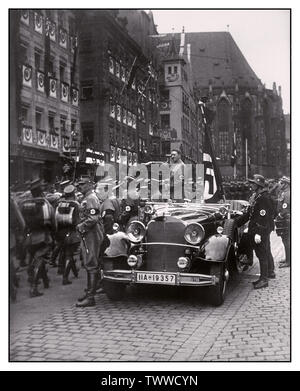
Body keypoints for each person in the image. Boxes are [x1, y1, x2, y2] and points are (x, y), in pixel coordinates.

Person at [236, 174, 275, 289]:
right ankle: (265, 275)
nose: (251, 185)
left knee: (262, 254)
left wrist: (258, 232)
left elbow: (264, 216)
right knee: (262, 252)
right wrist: (237, 222)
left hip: (261, 230)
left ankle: (264, 279)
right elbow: (250, 214)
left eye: (253, 183)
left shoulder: (263, 198)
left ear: (258, 185)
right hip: (257, 228)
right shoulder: (258, 196)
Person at [20, 179, 55, 297]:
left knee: (36, 258)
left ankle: (45, 281)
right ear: (41, 190)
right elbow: (52, 221)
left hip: (29, 237)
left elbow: (21, 222)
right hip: (43, 236)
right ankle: (33, 288)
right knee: (40, 260)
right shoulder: (45, 203)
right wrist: (53, 235)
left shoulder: (24, 203)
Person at [76, 177, 104, 307]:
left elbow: (93, 218)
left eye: (82, 184)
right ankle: (89, 291)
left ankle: (91, 297)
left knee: (91, 263)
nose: (79, 186)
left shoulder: (91, 198)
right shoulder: (87, 198)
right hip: (89, 233)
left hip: (91, 233)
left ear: (89, 185)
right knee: (89, 262)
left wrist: (81, 226)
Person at [54, 185, 81, 285]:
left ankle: (73, 272)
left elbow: (54, 219)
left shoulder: (59, 204)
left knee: (66, 252)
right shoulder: (76, 205)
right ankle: (65, 277)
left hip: (60, 232)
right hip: (72, 232)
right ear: (73, 194)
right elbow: (78, 220)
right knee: (69, 254)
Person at [276, 176, 290, 268]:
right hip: (285, 219)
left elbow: (285, 208)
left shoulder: (287, 194)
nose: (279, 185)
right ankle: (287, 258)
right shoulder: (284, 193)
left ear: (286, 184)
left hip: (286, 219)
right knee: (285, 240)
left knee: (287, 240)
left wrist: (279, 216)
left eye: (281, 183)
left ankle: (288, 261)